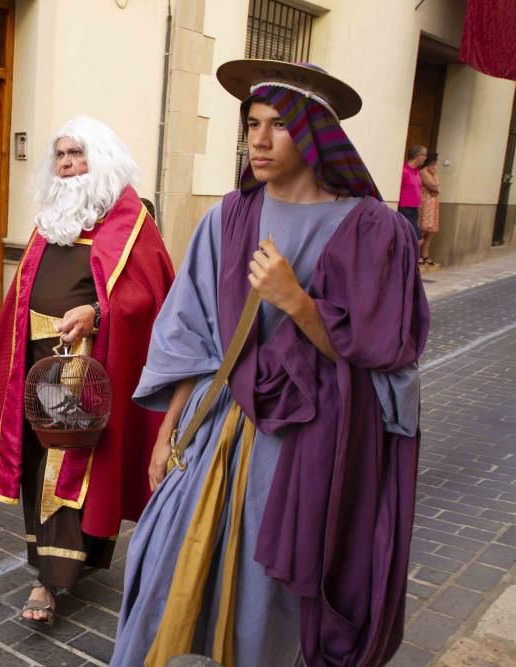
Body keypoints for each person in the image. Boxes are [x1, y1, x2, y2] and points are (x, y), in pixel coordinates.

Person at [113, 61, 429, 667]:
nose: (258, 140)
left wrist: (299, 303)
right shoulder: (226, 218)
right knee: (167, 561)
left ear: (314, 134)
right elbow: (193, 334)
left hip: (307, 442)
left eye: (278, 125)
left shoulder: (376, 231)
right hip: (217, 428)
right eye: (252, 124)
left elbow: (385, 356)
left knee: (268, 587)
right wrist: (168, 432)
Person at [0, 116, 174, 625]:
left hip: (91, 365)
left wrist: (98, 313)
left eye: (77, 154)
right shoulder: (52, 222)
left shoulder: (133, 222)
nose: (67, 165)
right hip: (36, 362)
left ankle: (50, 580)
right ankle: (51, 565)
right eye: (61, 156)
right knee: (41, 462)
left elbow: (153, 297)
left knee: (72, 466)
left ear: (101, 158)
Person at [398, 144, 427, 241]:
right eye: (424, 155)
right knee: (417, 239)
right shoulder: (404, 171)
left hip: (414, 208)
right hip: (405, 209)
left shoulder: (416, 172)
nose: (425, 158)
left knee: (408, 238)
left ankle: (406, 256)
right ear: (418, 155)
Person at [419, 152, 440, 266]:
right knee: (423, 229)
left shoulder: (432, 172)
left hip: (433, 203)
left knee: (431, 231)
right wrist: (435, 175)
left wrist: (435, 175)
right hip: (426, 202)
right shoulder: (424, 172)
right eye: (434, 162)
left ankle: (425, 255)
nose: (435, 165)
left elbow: (437, 186)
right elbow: (434, 185)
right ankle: (417, 255)